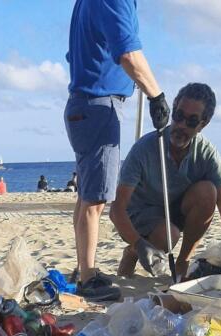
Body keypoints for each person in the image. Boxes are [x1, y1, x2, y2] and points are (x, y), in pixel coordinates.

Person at [65, 0, 169, 301]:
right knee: (95, 199)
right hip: (98, 104)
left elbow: (75, 53)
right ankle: (87, 277)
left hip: (86, 103)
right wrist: (156, 95)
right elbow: (128, 54)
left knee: (87, 195)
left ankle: (85, 268)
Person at [110, 83, 221, 280]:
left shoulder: (207, 152)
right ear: (172, 110)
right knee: (168, 236)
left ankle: (183, 260)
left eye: (191, 121)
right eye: (178, 116)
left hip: (175, 210)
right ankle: (132, 252)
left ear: (203, 124)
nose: (181, 125)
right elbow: (117, 209)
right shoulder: (144, 148)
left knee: (208, 192)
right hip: (140, 215)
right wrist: (138, 244)